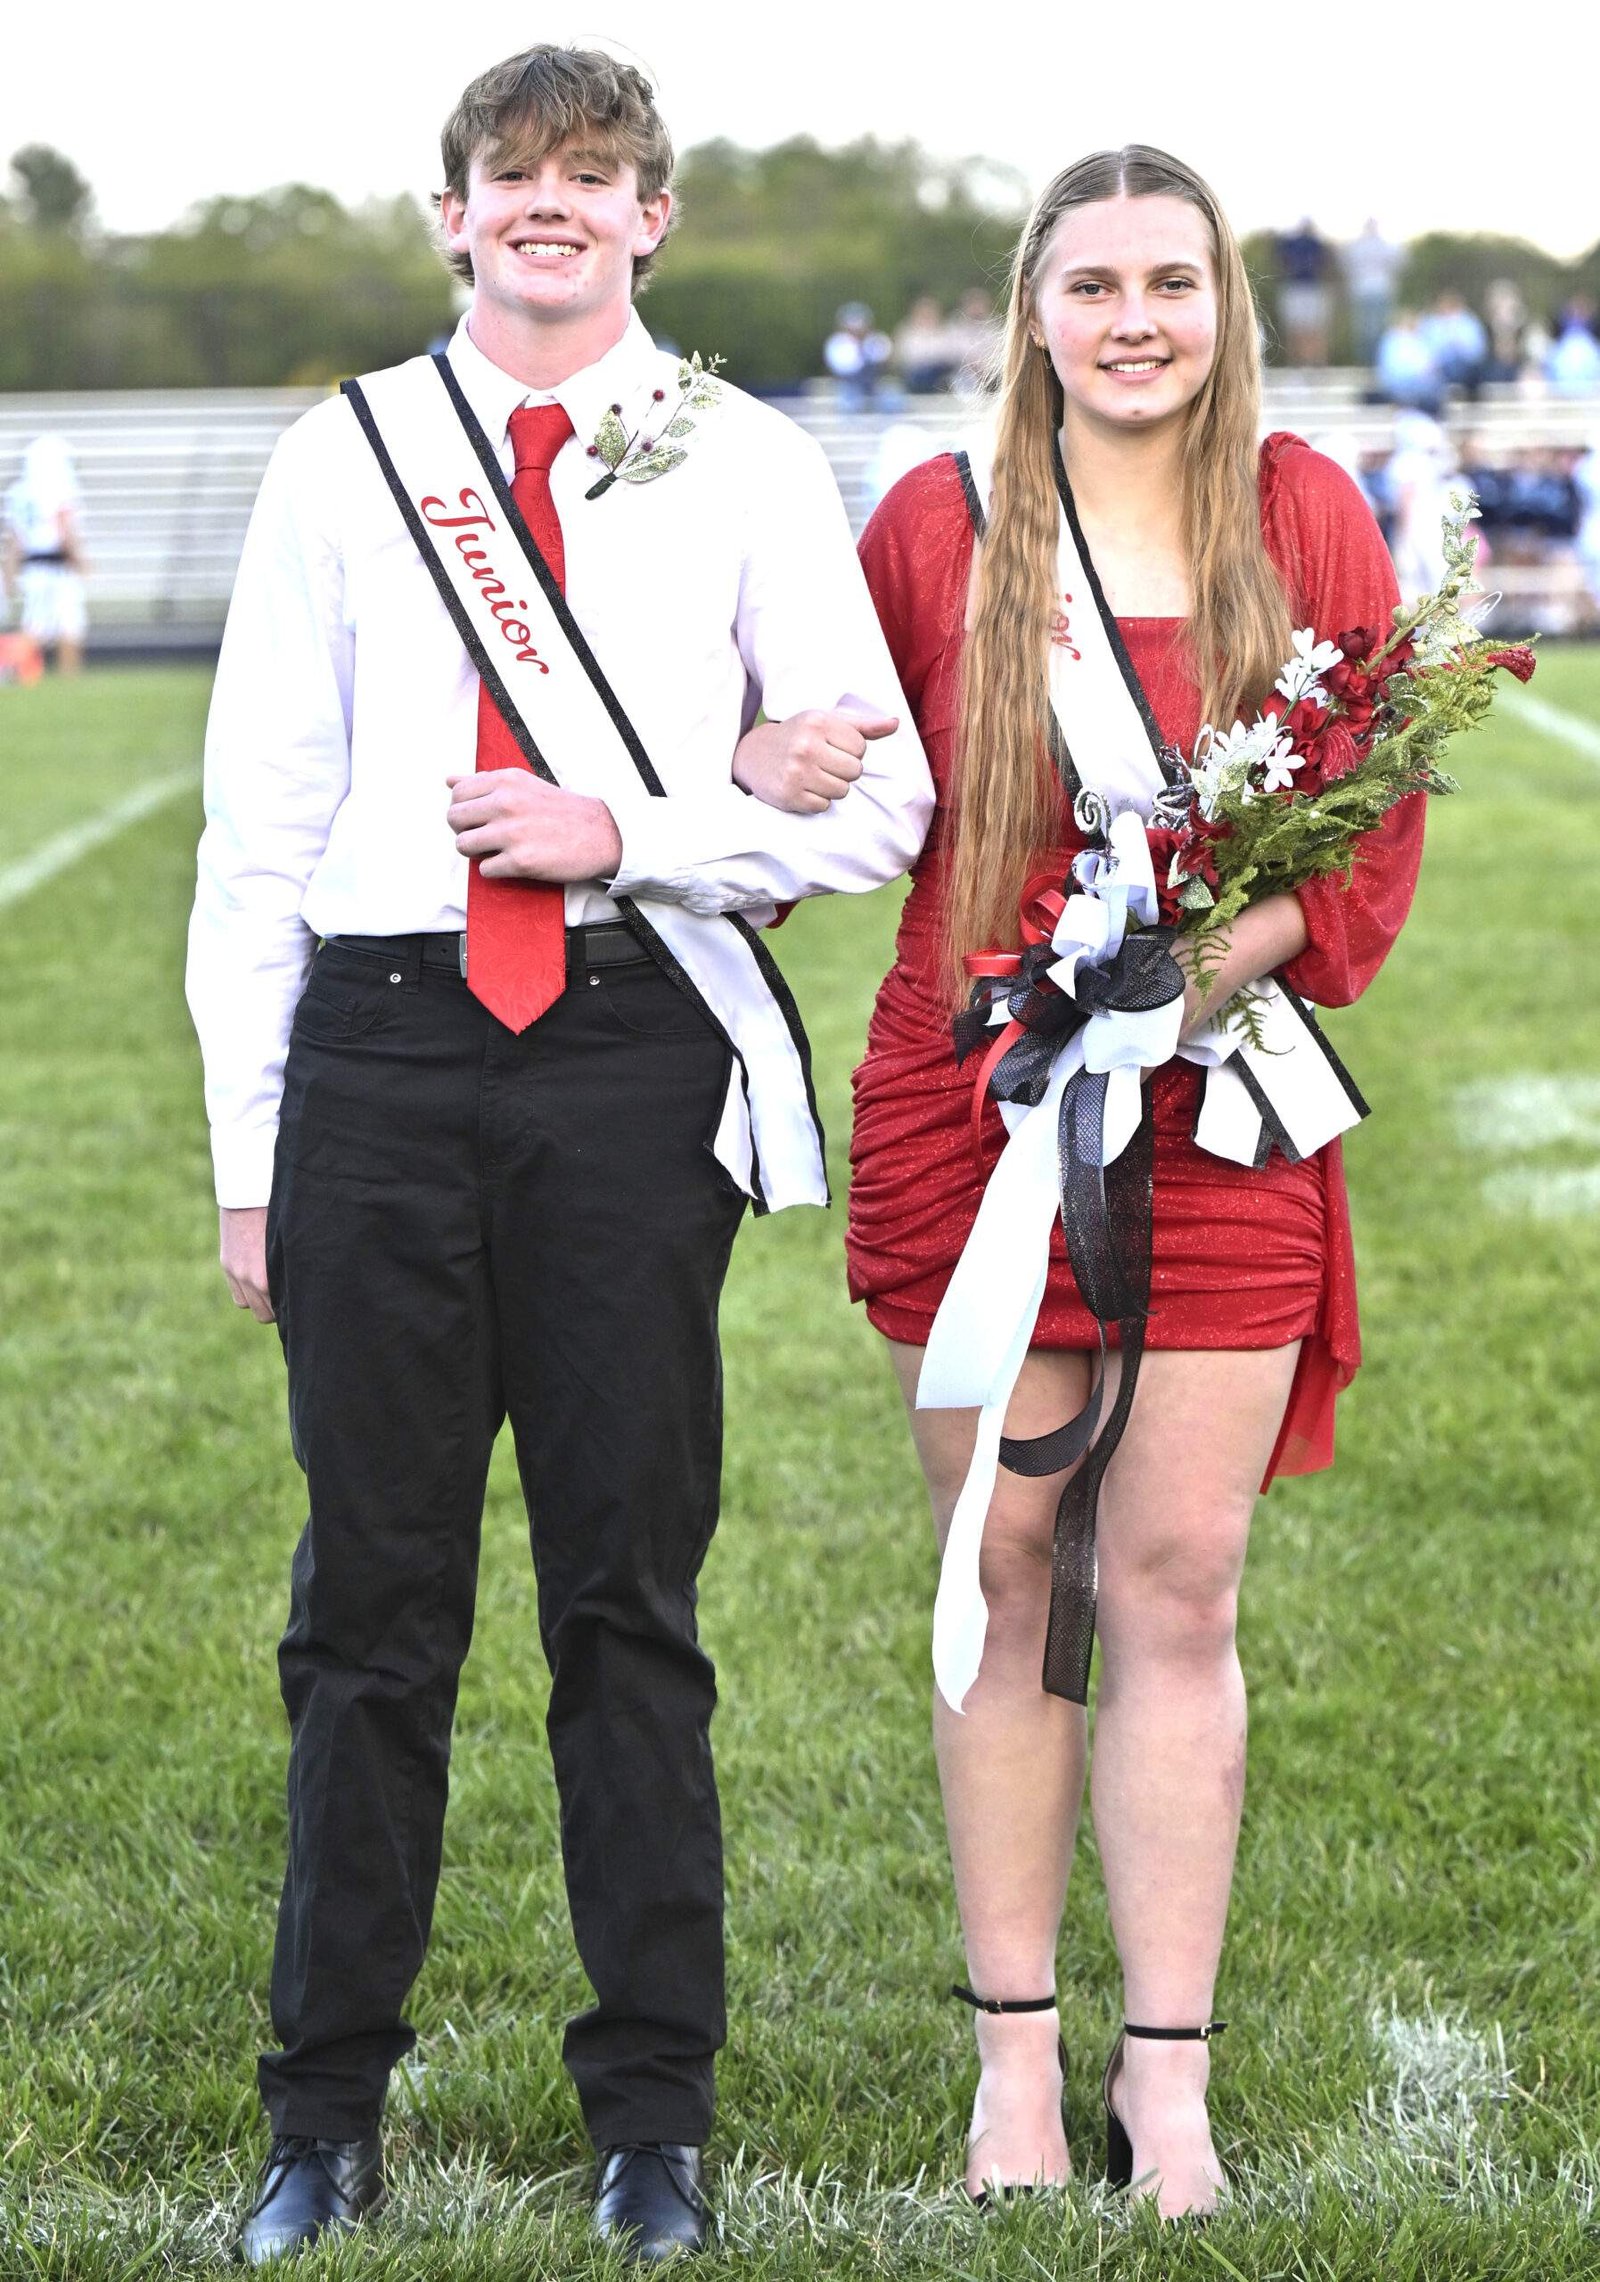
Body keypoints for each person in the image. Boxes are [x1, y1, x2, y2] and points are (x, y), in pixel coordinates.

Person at [186, 42, 931, 2267]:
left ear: (649, 218)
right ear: (452, 214)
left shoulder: (750, 456)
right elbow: (261, 825)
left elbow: (881, 803)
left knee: (628, 1599)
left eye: (590, 176)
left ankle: (654, 2121)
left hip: (623, 1055)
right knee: (368, 1607)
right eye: (509, 173)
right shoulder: (343, 455)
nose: (547, 203)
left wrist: (641, 824)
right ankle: (322, 2110)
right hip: (382, 1052)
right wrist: (249, 1149)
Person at [848, 145, 1424, 2217]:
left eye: (1169, 281)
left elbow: (1368, 822)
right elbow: (848, 785)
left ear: (1221, 303)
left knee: (1175, 1579)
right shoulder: (932, 524)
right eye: (1088, 284)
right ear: (1030, 309)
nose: (1131, 320)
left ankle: (1160, 2079)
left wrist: (1200, 968)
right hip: (978, 1103)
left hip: (1220, 1097)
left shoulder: (1303, 510)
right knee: (1004, 1574)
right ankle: (1012, 2062)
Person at [2, 433, 87, 674]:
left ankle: (14, 669)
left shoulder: (18, 493)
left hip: (33, 569)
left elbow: (14, 540)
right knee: (69, 626)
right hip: (58, 567)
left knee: (36, 627)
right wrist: (79, 560)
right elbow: (64, 529)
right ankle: (66, 675)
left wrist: (9, 576)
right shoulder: (60, 490)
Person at [1340, 220, 1403, 367]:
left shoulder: (1383, 245)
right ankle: (1366, 361)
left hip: (1379, 291)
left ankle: (1379, 361)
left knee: (1380, 327)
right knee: (1365, 329)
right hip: (1365, 291)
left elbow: (1398, 262)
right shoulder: (1358, 246)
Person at [1274, 217, 1333, 365]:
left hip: (1313, 288)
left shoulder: (1316, 244)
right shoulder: (1290, 243)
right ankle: (1296, 363)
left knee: (1315, 327)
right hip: (1295, 287)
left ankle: (1316, 362)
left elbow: (1325, 262)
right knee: (1295, 328)